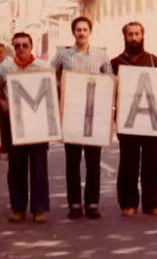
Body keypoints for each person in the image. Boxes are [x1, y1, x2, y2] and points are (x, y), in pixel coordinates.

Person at [50, 16, 111, 220]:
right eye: (78, 30)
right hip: (72, 114)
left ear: (90, 32)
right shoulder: (62, 55)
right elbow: (49, 75)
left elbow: (110, 81)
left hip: (95, 116)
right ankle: (74, 204)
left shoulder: (102, 56)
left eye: (85, 29)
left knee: (94, 162)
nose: (81, 33)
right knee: (72, 162)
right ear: (73, 32)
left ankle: (92, 203)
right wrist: (60, 87)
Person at [111, 22, 157, 217]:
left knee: (154, 161)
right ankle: (128, 202)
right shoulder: (115, 63)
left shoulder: (153, 60)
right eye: (130, 34)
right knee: (128, 161)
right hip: (127, 120)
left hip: (151, 120)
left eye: (137, 34)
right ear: (124, 37)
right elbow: (110, 93)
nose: (134, 38)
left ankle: (153, 203)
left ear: (143, 36)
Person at [0, 32, 51, 223]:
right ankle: (18, 208)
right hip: (15, 124)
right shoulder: (5, 68)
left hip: (38, 125)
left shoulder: (43, 67)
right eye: (17, 45)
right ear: (13, 47)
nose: (21, 48)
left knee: (39, 167)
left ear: (31, 47)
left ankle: (40, 209)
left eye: (25, 45)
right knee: (16, 167)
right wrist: (2, 102)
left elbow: (51, 91)